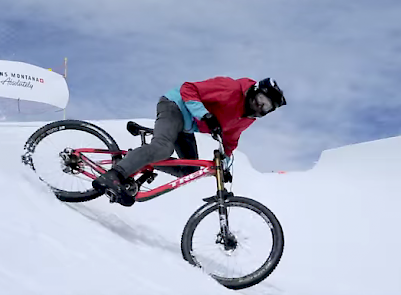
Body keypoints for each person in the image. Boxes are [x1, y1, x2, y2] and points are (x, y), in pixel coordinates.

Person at [93, 76, 287, 206]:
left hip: (187, 126)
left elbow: (230, 142)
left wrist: (226, 165)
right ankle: (113, 175)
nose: (259, 107)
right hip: (175, 105)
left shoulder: (246, 119)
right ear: (254, 91)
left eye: (266, 108)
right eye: (261, 100)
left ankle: (138, 158)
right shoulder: (231, 88)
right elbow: (189, 89)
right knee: (163, 148)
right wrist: (204, 115)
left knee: (190, 171)